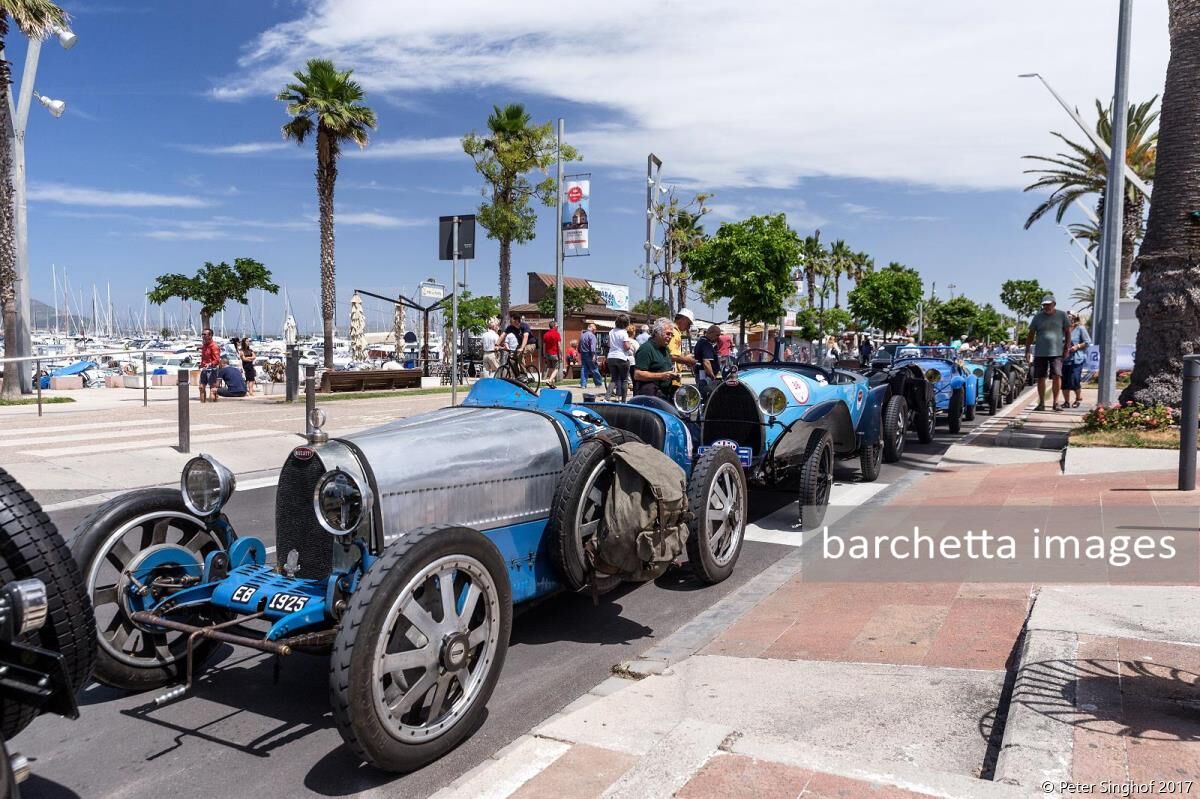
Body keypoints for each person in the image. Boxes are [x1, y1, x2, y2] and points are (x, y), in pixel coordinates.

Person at [1024, 293, 1071, 411]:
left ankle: (1056, 403)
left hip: (1057, 352)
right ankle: (1042, 403)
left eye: (1049, 305)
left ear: (1054, 304)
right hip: (1040, 352)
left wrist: (1067, 348)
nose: (1046, 307)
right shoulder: (1037, 317)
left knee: (1057, 375)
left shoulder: (1062, 315)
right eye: (1044, 305)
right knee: (1041, 377)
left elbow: (1068, 332)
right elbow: (1030, 334)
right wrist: (1027, 350)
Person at [633, 318, 678, 399]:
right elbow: (637, 374)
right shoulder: (646, 349)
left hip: (665, 394)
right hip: (650, 395)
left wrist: (673, 375)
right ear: (657, 333)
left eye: (672, 335)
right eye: (667, 334)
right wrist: (661, 376)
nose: (670, 337)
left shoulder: (665, 349)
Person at [1064, 311, 1091, 408]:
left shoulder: (1080, 328)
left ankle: (1078, 398)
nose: (1068, 318)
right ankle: (1066, 402)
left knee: (1075, 379)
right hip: (1064, 359)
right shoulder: (1063, 329)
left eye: (1070, 316)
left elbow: (1087, 342)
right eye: (1067, 317)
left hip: (1077, 359)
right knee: (1065, 381)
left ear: (1075, 318)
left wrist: (1077, 346)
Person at [605, 314, 633, 401]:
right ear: (626, 323)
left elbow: (609, 344)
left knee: (614, 379)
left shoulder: (611, 332)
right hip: (621, 356)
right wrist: (630, 345)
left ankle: (607, 398)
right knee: (624, 379)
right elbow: (626, 346)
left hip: (611, 357)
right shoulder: (624, 333)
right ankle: (623, 400)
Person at [668, 308, 697, 374]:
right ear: (683, 319)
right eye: (689, 323)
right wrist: (687, 360)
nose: (688, 327)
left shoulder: (676, 332)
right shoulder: (674, 333)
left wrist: (684, 357)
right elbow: (671, 355)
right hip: (671, 374)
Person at [694, 324, 722, 393]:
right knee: (706, 395)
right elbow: (706, 362)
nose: (718, 338)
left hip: (701, 374)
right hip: (705, 377)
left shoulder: (701, 342)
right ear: (711, 333)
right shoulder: (706, 344)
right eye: (717, 335)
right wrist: (713, 377)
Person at [198, 328, 221, 403]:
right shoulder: (204, 345)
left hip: (212, 370)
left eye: (205, 334)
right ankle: (202, 405)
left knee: (213, 389)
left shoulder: (214, 346)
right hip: (204, 370)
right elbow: (204, 358)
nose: (203, 336)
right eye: (202, 334)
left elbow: (217, 360)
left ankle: (212, 406)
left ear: (210, 335)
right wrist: (201, 365)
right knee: (201, 387)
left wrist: (210, 364)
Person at [579, 323, 603, 388]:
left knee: (584, 369)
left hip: (583, 353)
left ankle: (583, 384)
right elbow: (592, 347)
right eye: (595, 329)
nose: (595, 330)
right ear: (592, 329)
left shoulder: (582, 335)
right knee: (594, 368)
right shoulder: (592, 336)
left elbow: (579, 345)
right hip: (590, 354)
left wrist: (580, 352)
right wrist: (593, 355)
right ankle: (598, 383)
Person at [542, 320, 562, 389]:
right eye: (557, 325)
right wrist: (561, 354)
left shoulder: (545, 334)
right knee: (556, 368)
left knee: (551, 368)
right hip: (555, 354)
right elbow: (559, 346)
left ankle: (551, 384)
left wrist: (544, 354)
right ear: (553, 326)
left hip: (547, 354)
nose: (557, 327)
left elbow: (544, 345)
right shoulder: (557, 334)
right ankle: (550, 380)